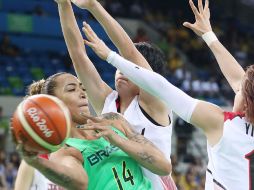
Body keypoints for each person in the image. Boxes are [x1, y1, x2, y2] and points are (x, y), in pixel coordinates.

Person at [81, 0, 254, 189]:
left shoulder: (221, 123)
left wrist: (111, 56)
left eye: (238, 92)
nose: (235, 89)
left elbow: (160, 86)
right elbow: (240, 81)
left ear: (246, 102)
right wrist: (209, 36)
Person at [55, 0, 174, 188]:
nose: (121, 70)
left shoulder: (155, 104)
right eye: (119, 66)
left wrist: (94, 7)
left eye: (128, 67)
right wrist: (63, 5)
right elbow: (78, 56)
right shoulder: (108, 103)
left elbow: (129, 51)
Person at [14, 72, 171, 190]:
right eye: (71, 89)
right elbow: (80, 182)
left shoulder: (113, 120)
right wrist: (35, 161)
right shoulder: (65, 149)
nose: (82, 93)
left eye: (82, 88)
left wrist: (119, 141)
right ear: (54, 103)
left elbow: (164, 167)